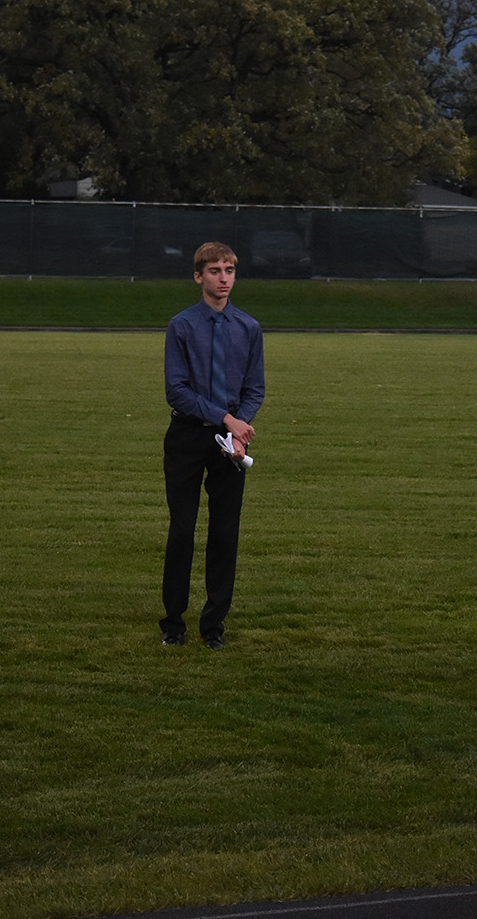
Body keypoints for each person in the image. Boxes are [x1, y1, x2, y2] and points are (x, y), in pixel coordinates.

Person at [160, 242, 265, 650]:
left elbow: (254, 389)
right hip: (188, 435)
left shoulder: (249, 328)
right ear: (198, 276)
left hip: (231, 442)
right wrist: (227, 419)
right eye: (215, 271)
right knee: (182, 531)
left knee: (225, 533)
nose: (224, 279)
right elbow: (177, 390)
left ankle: (214, 626)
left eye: (229, 271)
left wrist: (240, 430)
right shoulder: (181, 326)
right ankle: (173, 624)